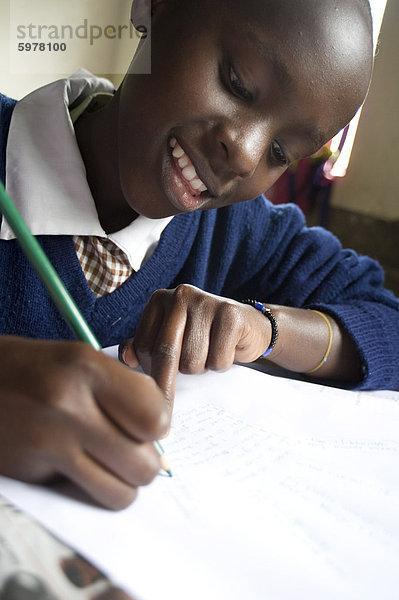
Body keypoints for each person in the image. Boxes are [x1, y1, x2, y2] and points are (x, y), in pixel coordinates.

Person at [0, 0, 398, 509]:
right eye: (236, 81)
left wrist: (264, 328)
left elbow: (388, 322)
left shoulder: (233, 228)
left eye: (281, 153)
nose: (247, 154)